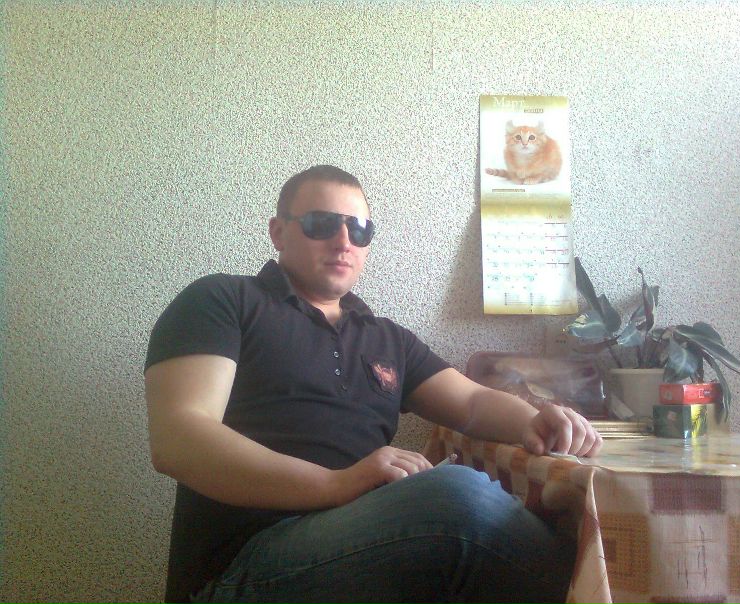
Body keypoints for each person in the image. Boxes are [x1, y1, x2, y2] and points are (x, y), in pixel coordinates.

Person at [145, 165, 602, 604]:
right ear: (278, 232)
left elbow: (472, 402)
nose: (344, 240)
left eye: (359, 229)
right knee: (457, 497)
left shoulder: (386, 338)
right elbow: (179, 439)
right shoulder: (223, 301)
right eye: (322, 223)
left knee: (566, 526)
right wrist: (337, 484)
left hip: (370, 539)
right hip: (245, 564)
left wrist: (534, 421)